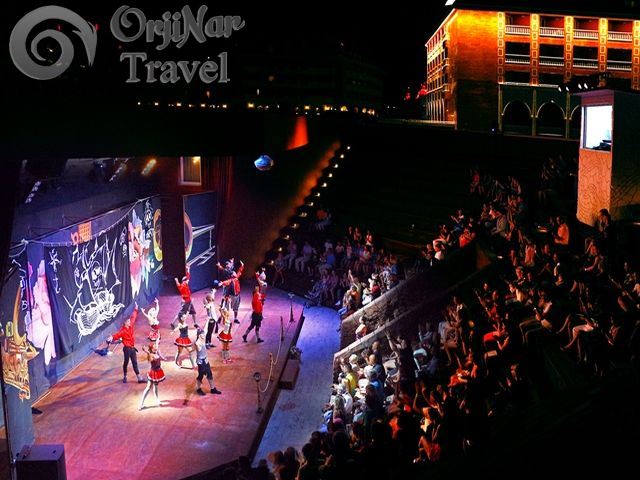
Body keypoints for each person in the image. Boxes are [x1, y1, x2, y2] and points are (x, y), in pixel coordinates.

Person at [108, 303, 145, 384]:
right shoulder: (123, 331)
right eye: (128, 321)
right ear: (125, 323)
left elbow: (133, 317)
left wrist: (136, 309)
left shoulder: (130, 326)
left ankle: (139, 378)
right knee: (126, 362)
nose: (129, 322)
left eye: (129, 321)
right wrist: (112, 337)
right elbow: (117, 335)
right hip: (127, 349)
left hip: (132, 348)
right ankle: (125, 376)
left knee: (135, 363)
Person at [194, 328, 222, 395]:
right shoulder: (197, 343)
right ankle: (198, 389)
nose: (204, 335)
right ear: (199, 335)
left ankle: (213, 389)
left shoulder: (202, 340)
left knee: (209, 374)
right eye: (203, 334)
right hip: (201, 362)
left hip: (206, 360)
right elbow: (198, 350)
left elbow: (206, 328)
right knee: (200, 376)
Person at [138, 342, 166, 410]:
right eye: (154, 346)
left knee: (156, 386)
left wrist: (158, 338)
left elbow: (157, 344)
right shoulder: (151, 356)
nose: (156, 347)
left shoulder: (156, 352)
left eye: (156, 346)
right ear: (152, 348)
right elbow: (150, 358)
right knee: (148, 388)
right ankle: (141, 404)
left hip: (158, 372)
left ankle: (157, 399)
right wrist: (147, 352)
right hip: (153, 373)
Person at [218, 296, 234, 363]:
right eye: (227, 312)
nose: (228, 312)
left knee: (227, 347)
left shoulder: (228, 318)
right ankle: (224, 359)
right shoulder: (225, 319)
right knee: (224, 347)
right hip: (225, 335)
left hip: (228, 334)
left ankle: (228, 358)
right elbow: (222, 313)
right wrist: (221, 310)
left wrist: (228, 302)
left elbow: (228, 309)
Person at [203, 284, 219, 349]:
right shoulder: (208, 305)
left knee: (211, 332)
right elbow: (206, 306)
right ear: (209, 299)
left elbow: (212, 296)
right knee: (209, 332)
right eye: (211, 298)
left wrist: (213, 292)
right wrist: (205, 304)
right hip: (211, 320)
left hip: (214, 320)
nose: (212, 298)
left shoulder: (211, 303)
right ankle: (206, 343)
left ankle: (210, 342)